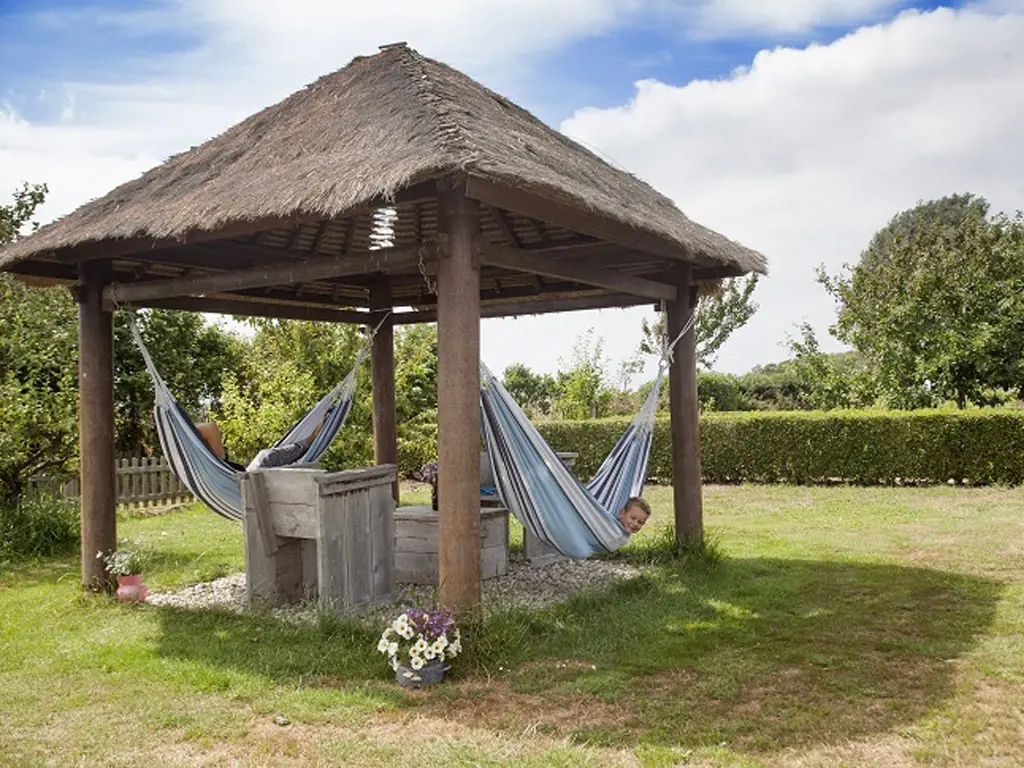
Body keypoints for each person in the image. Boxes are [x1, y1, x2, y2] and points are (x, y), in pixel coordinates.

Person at [247, 410, 331, 470]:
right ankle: (313, 435)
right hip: (257, 472)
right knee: (265, 456)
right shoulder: (266, 459)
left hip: (249, 478)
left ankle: (312, 437)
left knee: (266, 457)